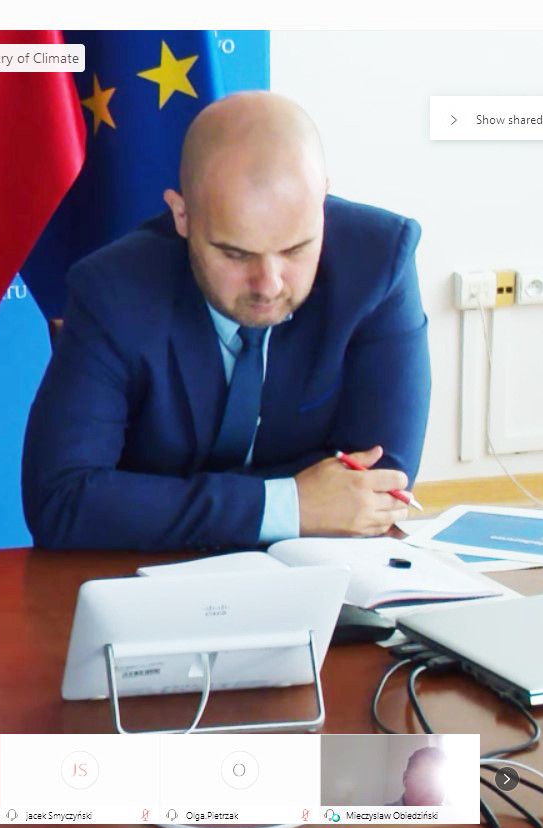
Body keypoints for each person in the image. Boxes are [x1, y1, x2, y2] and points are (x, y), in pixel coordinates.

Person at [22, 91, 430, 551]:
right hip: (153, 580)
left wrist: (155, 501)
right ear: (182, 215)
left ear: (322, 201)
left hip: (320, 574)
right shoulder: (114, 291)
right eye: (236, 254)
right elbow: (62, 501)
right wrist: (289, 505)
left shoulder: (380, 261)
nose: (269, 284)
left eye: (296, 249)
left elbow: (381, 483)